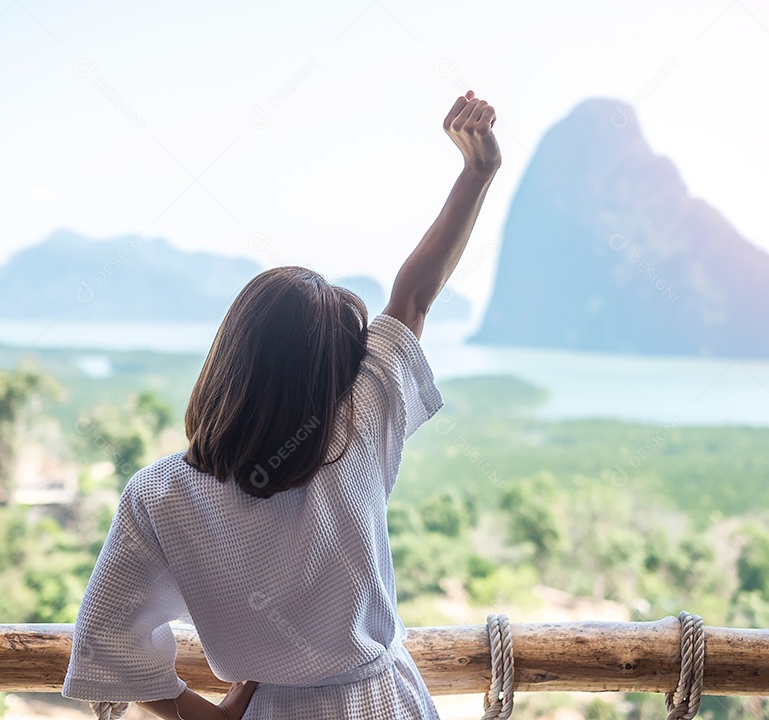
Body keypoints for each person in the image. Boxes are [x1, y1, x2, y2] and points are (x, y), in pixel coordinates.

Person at [62, 89, 501, 720]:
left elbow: (105, 638)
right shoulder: (357, 428)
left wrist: (208, 716)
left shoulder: (159, 494)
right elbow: (414, 297)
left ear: (231, 357)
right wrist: (477, 172)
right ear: (336, 375)